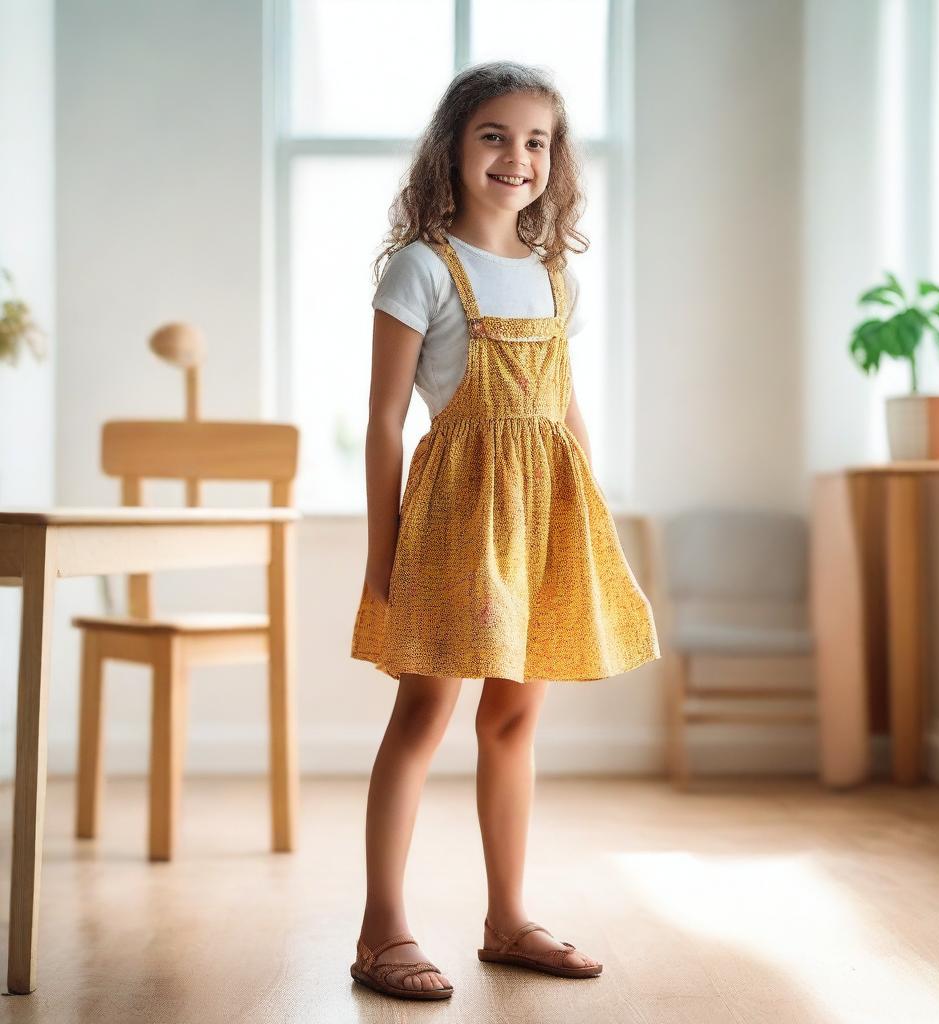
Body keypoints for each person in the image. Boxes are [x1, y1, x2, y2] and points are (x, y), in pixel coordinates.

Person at [349, 60, 660, 1001]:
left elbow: (564, 411)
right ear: (453, 147)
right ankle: (381, 928)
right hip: (457, 520)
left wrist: (589, 530)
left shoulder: (555, 277)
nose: (516, 156)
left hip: (545, 520)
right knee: (424, 712)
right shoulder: (422, 266)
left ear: (554, 160)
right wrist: (382, 546)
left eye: (536, 140)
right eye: (495, 135)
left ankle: (508, 917)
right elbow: (384, 419)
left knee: (514, 716)